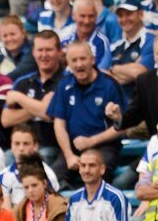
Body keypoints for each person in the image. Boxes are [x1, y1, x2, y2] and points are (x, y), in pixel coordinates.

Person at [48, 41, 126, 186]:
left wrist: (91, 141)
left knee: (94, 171)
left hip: (105, 147)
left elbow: (123, 125)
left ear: (93, 60)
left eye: (83, 59)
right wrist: (69, 155)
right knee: (51, 179)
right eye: (74, 60)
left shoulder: (109, 84)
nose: (79, 64)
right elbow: (59, 124)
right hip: (73, 148)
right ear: (68, 64)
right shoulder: (64, 86)